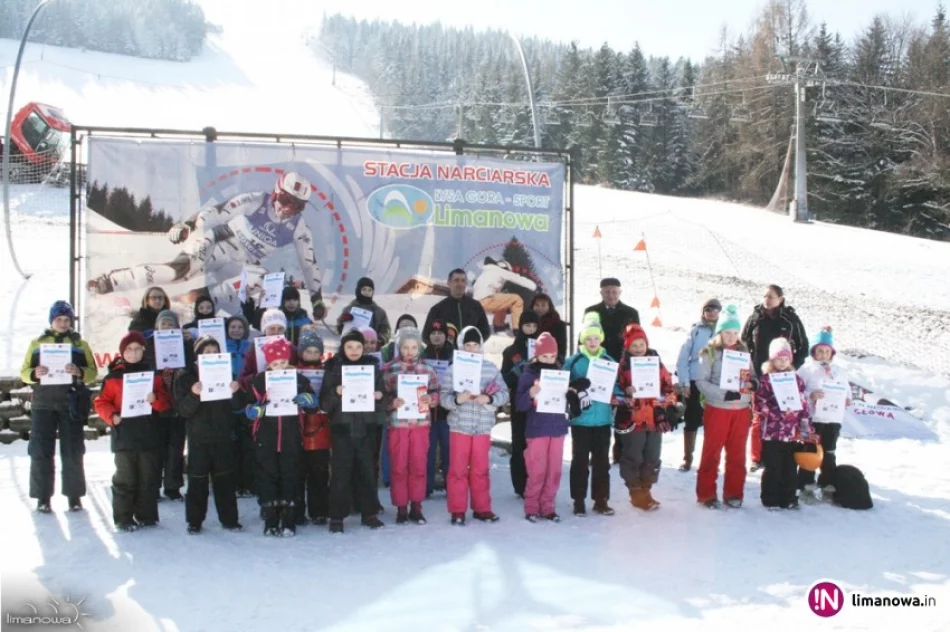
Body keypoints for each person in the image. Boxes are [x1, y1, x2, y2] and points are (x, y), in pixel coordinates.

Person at [87, 171, 327, 321]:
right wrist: (189, 224)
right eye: (285, 200)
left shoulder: (299, 228)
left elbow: (309, 264)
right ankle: (112, 281)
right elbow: (218, 211)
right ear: (275, 194)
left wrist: (316, 299)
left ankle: (185, 305)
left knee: (254, 286)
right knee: (177, 272)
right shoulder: (256, 201)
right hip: (216, 245)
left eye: (296, 206)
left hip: (241, 264)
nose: (287, 209)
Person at [20, 301, 97, 513]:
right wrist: (34, 374)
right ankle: (42, 497)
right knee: (41, 451)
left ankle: (74, 496)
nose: (63, 323)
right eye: (58, 319)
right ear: (51, 321)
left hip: (69, 401)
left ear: (71, 321)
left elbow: (93, 373)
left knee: (72, 451)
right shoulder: (37, 343)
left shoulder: (81, 344)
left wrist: (80, 371)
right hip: (43, 403)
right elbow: (24, 372)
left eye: (66, 320)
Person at [94, 331, 172, 531]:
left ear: (143, 351)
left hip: (148, 432)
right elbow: (101, 402)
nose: (134, 353)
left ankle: (146, 515)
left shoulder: (153, 374)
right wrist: (112, 416)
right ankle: (123, 518)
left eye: (138, 349)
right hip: (124, 434)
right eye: (129, 349)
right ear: (122, 352)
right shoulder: (113, 377)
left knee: (148, 477)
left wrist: (156, 400)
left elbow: (165, 403)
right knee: (125, 478)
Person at [241, 337, 319, 536]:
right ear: (268, 363)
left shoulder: (299, 379)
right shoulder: (258, 381)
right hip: (266, 436)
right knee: (267, 476)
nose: (280, 367)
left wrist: (308, 400)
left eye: (283, 362)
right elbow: (247, 406)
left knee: (290, 475)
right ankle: (270, 518)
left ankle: (289, 519)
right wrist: (254, 411)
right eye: (275, 364)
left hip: (291, 435)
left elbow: (313, 407)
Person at [321, 329, 390, 533]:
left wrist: (380, 397)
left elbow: (384, 400)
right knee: (340, 474)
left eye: (358, 347)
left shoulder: (372, 368)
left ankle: (368, 512)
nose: (354, 350)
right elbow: (324, 403)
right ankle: (337, 516)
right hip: (342, 429)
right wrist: (336, 392)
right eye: (349, 346)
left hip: (366, 429)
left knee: (367, 473)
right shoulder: (333, 369)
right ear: (343, 347)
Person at [440, 326, 510, 525]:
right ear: (461, 346)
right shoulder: (453, 369)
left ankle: (482, 508)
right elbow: (443, 398)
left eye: (475, 345)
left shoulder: (490, 368)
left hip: (482, 426)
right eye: (467, 345)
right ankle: (457, 510)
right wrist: (457, 400)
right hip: (460, 426)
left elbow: (504, 393)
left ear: (481, 346)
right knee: (457, 470)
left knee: (480, 469)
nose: (471, 349)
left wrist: (488, 398)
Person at [173, 336, 243, 534]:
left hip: (222, 435)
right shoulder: (186, 377)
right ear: (198, 355)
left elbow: (238, 405)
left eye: (215, 351)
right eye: (207, 352)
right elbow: (183, 410)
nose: (211, 355)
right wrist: (194, 394)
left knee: (225, 480)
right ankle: (194, 521)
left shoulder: (227, 373)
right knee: (197, 482)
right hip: (198, 438)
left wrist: (236, 391)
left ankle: (229, 519)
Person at [694, 305, 756, 509]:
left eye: (735, 333)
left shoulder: (744, 352)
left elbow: (753, 377)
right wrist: (723, 394)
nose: (732, 337)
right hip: (718, 408)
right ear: (720, 332)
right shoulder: (709, 352)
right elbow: (701, 381)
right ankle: (706, 494)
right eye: (728, 332)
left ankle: (734, 493)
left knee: (737, 453)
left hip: (741, 410)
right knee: (712, 452)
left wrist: (754, 384)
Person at [741, 285, 808, 471]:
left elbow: (803, 346)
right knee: (758, 416)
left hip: (783, 377)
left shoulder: (791, 320)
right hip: (759, 374)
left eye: (771, 296)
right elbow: (744, 341)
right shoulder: (755, 317)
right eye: (765, 296)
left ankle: (778, 454)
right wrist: (749, 368)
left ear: (780, 299)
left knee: (782, 415)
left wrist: (791, 368)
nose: (767, 299)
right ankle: (756, 457)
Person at [614, 324, 677, 511]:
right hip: (632, 419)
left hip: (653, 419)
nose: (638, 349)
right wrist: (626, 392)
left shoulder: (656, 362)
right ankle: (636, 493)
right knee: (633, 456)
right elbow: (613, 393)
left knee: (652, 456)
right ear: (627, 347)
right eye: (634, 346)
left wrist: (667, 403)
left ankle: (646, 490)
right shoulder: (623, 366)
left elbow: (669, 388)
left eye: (641, 344)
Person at [381, 327, 440, 525]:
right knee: (398, 466)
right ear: (399, 347)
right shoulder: (389, 369)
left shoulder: (428, 369)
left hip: (420, 424)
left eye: (413, 347)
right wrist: (391, 402)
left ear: (419, 348)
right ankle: (400, 507)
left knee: (418, 465)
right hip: (398, 424)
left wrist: (430, 398)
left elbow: (436, 392)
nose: (409, 351)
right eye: (405, 347)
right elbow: (383, 396)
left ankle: (416, 505)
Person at [563, 314, 616, 516]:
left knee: (602, 462)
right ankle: (578, 500)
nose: (592, 342)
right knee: (579, 462)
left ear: (600, 338)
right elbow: (562, 385)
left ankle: (601, 500)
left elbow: (616, 388)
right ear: (582, 340)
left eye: (595, 338)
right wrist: (576, 388)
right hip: (581, 420)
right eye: (588, 338)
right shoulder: (573, 361)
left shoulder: (608, 360)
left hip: (602, 420)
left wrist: (621, 393)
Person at [515, 332, 569, 522]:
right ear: (537, 355)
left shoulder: (562, 374)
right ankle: (531, 507)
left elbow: (567, 401)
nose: (549, 360)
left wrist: (571, 394)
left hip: (557, 429)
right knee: (537, 470)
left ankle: (548, 506)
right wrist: (529, 394)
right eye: (545, 356)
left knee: (554, 470)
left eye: (552, 356)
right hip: (537, 429)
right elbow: (519, 405)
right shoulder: (528, 375)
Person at [754, 339, 813, 510]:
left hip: (791, 432)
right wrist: (776, 412)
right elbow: (760, 403)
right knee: (773, 467)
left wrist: (805, 424)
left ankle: (788, 497)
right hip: (772, 432)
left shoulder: (797, 380)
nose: (782, 362)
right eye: (779, 359)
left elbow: (803, 403)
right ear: (771, 360)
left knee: (789, 467)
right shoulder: (765, 380)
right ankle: (770, 499)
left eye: (786, 359)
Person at [796, 326, 851, 503]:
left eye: (827, 351)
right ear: (813, 352)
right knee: (810, 451)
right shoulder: (806, 370)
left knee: (829, 452)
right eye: (820, 351)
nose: (823, 355)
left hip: (833, 419)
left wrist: (846, 399)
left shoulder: (839, 371)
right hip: (813, 418)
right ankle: (806, 484)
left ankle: (827, 484)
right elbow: (796, 390)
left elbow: (847, 390)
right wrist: (810, 396)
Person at [675, 298, 721, 471]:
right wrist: (684, 382)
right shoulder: (695, 331)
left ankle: (710, 460)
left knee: (714, 424)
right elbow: (683, 358)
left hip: (715, 382)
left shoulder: (725, 331)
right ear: (703, 311)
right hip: (695, 381)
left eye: (715, 309)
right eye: (708, 309)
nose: (712, 312)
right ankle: (688, 458)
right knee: (692, 419)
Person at [501, 310, 541, 498]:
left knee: (537, 445)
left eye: (534, 326)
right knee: (519, 444)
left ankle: (536, 481)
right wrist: (518, 372)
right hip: (519, 404)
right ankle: (520, 484)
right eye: (527, 325)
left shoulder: (545, 350)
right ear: (521, 327)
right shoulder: (511, 351)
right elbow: (504, 378)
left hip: (540, 405)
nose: (531, 330)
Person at [295, 327, 331, 525]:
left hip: (321, 428)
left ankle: (319, 510)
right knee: (299, 473)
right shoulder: (291, 371)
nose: (312, 355)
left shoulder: (327, 372)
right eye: (308, 351)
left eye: (316, 352)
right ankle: (298, 511)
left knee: (319, 472)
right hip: (298, 428)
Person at [224, 315, 254, 498]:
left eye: (239, 327)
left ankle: (248, 483)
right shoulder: (221, 346)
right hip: (227, 398)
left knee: (248, 444)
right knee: (231, 445)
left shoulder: (250, 347)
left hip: (246, 396)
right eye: (232, 327)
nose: (236, 330)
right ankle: (234, 483)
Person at [423, 319, 453, 496]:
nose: (436, 336)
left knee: (448, 451)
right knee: (428, 451)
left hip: (447, 412)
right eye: (433, 333)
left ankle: (451, 486)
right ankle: (426, 486)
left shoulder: (452, 356)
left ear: (445, 336)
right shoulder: (422, 355)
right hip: (427, 412)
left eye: (440, 333)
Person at [422, 268, 491, 343]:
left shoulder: (475, 306)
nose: (460, 284)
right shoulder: (438, 309)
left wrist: (473, 344)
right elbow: (426, 336)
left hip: (469, 352)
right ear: (449, 283)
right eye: (456, 280)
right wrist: (441, 348)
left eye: (463, 281)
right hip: (447, 354)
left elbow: (485, 332)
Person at [472, 256, 538, 333]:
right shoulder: (500, 270)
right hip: (486, 299)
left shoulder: (485, 273)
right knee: (517, 299)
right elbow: (517, 278)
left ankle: (499, 327)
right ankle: (516, 329)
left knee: (503, 301)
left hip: (477, 304)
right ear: (504, 267)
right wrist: (534, 287)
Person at [583, 278, 640, 363]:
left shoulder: (631, 313)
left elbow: (637, 338)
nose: (611, 295)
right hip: (597, 359)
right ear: (601, 293)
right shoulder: (591, 311)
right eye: (607, 292)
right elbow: (584, 337)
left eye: (614, 292)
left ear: (619, 293)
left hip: (622, 360)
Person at [243, 286, 313, 346]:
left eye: (295, 300)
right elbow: (255, 322)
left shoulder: (303, 316)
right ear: (282, 301)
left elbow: (311, 337)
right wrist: (258, 304)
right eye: (288, 300)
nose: (292, 303)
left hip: (297, 356)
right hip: (276, 355)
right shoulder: (275, 315)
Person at [337, 277, 392, 347]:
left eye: (370, 290)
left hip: (370, 350)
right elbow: (339, 331)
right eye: (364, 289)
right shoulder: (349, 309)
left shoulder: (379, 312)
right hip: (350, 349)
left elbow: (386, 331)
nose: (367, 292)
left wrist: (379, 341)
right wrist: (341, 323)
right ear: (358, 290)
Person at [530, 293, 567, 358]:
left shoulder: (559, 325)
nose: (540, 308)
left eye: (543, 305)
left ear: (549, 307)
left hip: (550, 363)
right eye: (537, 305)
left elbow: (561, 350)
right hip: (530, 362)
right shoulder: (527, 322)